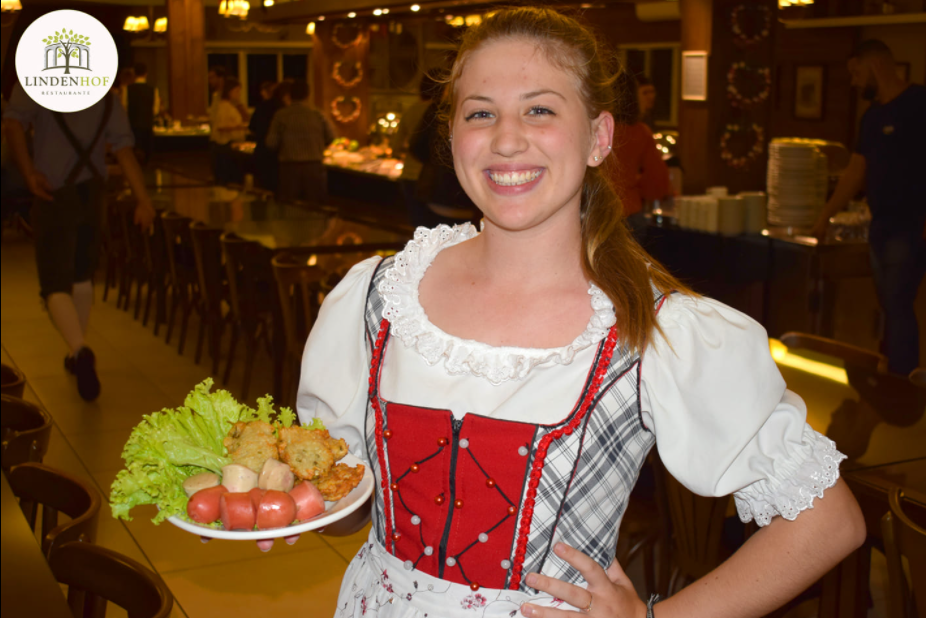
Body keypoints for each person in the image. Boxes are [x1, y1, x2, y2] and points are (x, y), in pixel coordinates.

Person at [280, 8, 865, 618]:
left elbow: (827, 523)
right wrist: (297, 505)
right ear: (453, 136)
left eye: (540, 109)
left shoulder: (653, 330)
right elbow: (350, 513)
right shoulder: (376, 297)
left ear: (599, 137)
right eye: (480, 112)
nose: (506, 139)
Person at [3, 84, 156, 402]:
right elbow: (124, 151)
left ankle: (79, 348)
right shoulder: (105, 96)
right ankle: (75, 353)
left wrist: (28, 172)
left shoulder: (36, 82)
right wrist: (143, 199)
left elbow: (13, 122)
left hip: (53, 192)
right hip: (93, 193)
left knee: (54, 283)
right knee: (82, 276)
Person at [812, 40, 926, 376]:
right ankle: (890, 373)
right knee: (889, 305)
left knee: (897, 303)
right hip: (882, 225)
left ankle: (902, 381)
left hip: (912, 225)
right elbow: (854, 172)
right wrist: (825, 215)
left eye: (856, 72)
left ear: (875, 64)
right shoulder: (872, 117)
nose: (854, 81)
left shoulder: (919, 103)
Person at [607, 70, 672, 243]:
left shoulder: (593, 130)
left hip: (594, 213)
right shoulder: (640, 132)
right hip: (630, 215)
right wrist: (635, 182)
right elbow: (658, 183)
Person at [408, 84, 478, 227]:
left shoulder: (437, 110)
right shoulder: (485, 112)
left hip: (438, 194)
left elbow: (417, 147)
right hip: (473, 201)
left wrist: (436, 162)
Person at [265, 79, 335, 205]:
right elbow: (331, 137)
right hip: (314, 167)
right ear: (308, 95)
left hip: (289, 169)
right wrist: (316, 146)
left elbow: (271, 143)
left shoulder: (281, 115)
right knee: (316, 210)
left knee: (289, 209)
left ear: (290, 95)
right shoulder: (318, 114)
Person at [393, 71, 444, 227]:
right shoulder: (441, 112)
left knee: (417, 228)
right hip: (433, 178)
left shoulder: (411, 111)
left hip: (409, 175)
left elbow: (395, 147)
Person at [210, 76, 249, 185]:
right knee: (229, 181)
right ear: (229, 91)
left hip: (230, 145)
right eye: (236, 91)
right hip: (225, 147)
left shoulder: (231, 106)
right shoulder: (223, 106)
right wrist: (240, 127)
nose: (238, 94)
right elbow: (221, 126)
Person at [248, 81, 283, 191]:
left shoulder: (261, 107)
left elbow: (252, 128)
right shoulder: (283, 109)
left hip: (262, 152)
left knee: (262, 191)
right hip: (279, 156)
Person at [124, 62, 160, 166]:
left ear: (134, 74)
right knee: (147, 159)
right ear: (146, 73)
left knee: (133, 160)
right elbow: (155, 111)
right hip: (147, 127)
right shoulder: (153, 90)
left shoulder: (128, 89)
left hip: (132, 128)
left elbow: (124, 109)